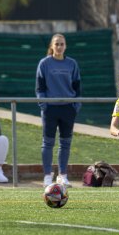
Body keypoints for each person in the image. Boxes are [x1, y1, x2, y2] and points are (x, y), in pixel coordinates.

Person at [36, 33, 82, 188]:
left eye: (62, 44)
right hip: (50, 109)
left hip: (68, 108)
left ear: (65, 46)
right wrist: (44, 105)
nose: (59, 47)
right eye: (57, 44)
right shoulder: (44, 63)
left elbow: (77, 87)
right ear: (51, 46)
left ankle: (62, 176)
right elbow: (40, 87)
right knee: (48, 142)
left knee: (66, 143)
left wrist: (75, 105)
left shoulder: (72, 64)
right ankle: (47, 176)